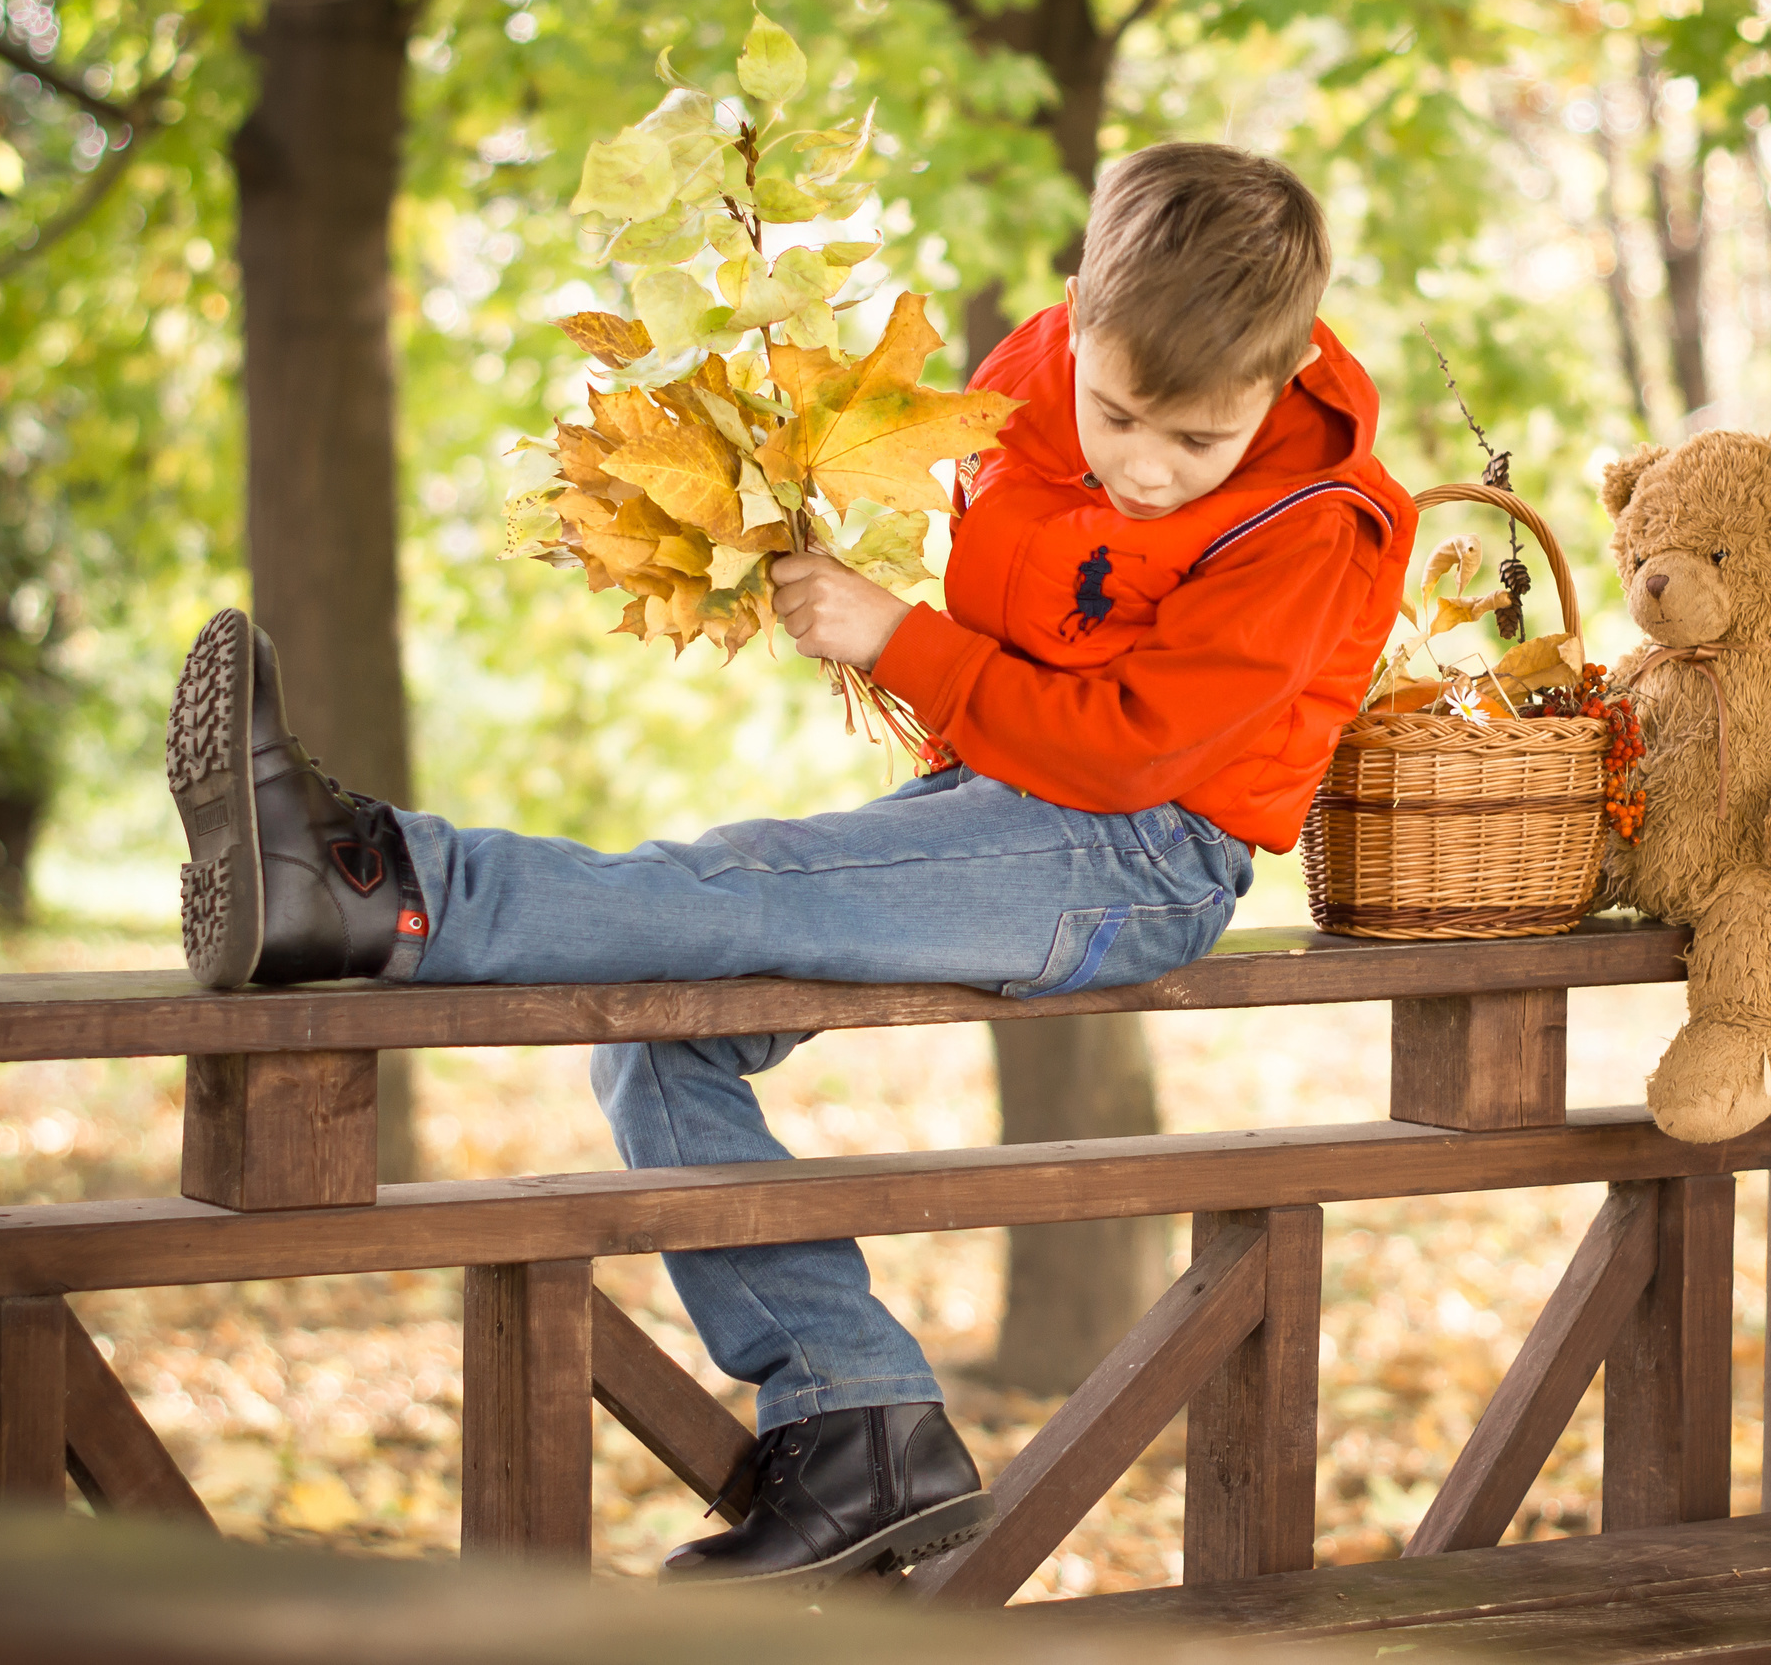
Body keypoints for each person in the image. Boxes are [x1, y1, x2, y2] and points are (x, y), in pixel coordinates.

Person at [165, 142, 1418, 1585]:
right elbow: (1014, 605)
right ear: (1079, 311)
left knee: (736, 885)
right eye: (1117, 408)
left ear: (1283, 368)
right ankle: (860, 1426)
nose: (1141, 463)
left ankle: (369, 877)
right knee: (658, 1032)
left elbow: (1134, 745)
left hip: (1138, 855)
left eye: (1193, 442)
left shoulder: (1318, 523)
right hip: (1002, 804)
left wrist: (902, 639)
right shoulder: (1033, 372)